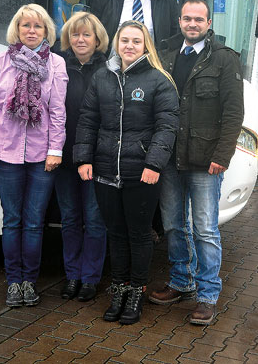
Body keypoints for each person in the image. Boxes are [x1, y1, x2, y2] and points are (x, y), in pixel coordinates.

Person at [74, 20, 179, 325]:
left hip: (141, 173)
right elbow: (88, 119)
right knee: (116, 234)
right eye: (125, 41)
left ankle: (136, 290)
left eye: (136, 41)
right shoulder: (102, 77)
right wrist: (83, 158)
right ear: (116, 44)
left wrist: (153, 164)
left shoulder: (159, 80)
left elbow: (167, 126)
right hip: (105, 170)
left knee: (139, 234)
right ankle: (118, 288)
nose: (129, 46)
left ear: (145, 45)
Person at [149, 0, 244, 325]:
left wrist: (223, 155)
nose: (192, 24)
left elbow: (234, 113)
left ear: (208, 23)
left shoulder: (224, 59)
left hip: (206, 161)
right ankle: (181, 281)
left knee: (204, 229)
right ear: (180, 21)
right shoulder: (166, 54)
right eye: (187, 19)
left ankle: (207, 295)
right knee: (174, 225)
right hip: (170, 158)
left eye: (198, 19)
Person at [0, 3, 68, 308]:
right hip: (5, 154)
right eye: (26, 25)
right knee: (12, 220)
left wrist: (56, 150)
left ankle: (30, 281)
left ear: (47, 32)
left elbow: (57, 112)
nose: (31, 31)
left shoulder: (56, 65)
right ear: (16, 29)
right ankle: (13, 282)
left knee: (34, 222)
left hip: (43, 158)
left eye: (37, 26)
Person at [55, 12, 109, 302]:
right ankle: (72, 275)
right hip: (63, 157)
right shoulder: (57, 66)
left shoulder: (108, 71)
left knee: (95, 220)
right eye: (75, 34)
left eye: (87, 34)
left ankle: (90, 278)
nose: (80, 39)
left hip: (96, 159)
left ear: (97, 39)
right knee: (70, 219)